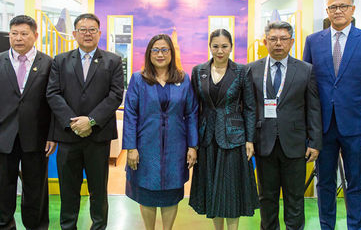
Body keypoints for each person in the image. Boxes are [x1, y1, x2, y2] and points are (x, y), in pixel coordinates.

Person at [303, 0, 361, 230]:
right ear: (326, 12)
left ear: (353, 10)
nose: (338, 11)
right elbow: (308, 86)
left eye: (343, 6)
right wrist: (310, 128)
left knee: (357, 183)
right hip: (323, 127)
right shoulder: (313, 41)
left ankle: (356, 227)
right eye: (332, 7)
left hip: (357, 127)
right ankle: (326, 225)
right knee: (325, 182)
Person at [0, 15, 56, 230]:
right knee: (1, 190)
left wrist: (51, 135)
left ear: (35, 36)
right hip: (2, 137)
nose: (18, 38)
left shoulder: (48, 63)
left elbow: (53, 104)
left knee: (36, 191)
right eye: (14, 34)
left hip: (36, 139)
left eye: (24, 34)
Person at [46, 13, 124, 230]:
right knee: (68, 189)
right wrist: (74, 122)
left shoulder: (113, 61)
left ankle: (98, 227)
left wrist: (90, 121)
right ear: (74, 34)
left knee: (98, 190)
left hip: (98, 137)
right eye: (83, 29)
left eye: (92, 29)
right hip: (68, 136)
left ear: (99, 33)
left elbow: (115, 95)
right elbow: (53, 94)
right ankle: (68, 226)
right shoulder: (60, 61)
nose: (88, 34)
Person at [248, 21, 322, 230]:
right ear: (265, 42)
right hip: (264, 144)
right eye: (273, 39)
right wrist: (249, 140)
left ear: (291, 42)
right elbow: (249, 108)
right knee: (266, 198)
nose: (278, 43)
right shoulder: (252, 70)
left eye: (283, 39)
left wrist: (315, 142)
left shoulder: (306, 70)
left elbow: (313, 108)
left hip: (295, 144)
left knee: (295, 198)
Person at [123, 34, 198, 230]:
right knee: (147, 192)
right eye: (155, 50)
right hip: (146, 146)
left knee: (171, 192)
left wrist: (192, 145)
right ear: (149, 54)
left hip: (176, 147)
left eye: (165, 50)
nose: (160, 54)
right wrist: (131, 147)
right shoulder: (138, 79)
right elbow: (130, 114)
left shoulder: (183, 79)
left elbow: (191, 113)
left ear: (172, 53)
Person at [189, 29, 258, 230]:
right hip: (207, 138)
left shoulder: (242, 71)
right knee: (212, 189)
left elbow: (251, 108)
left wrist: (250, 139)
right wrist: (193, 142)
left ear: (231, 47)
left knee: (231, 190)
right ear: (210, 47)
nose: (220, 51)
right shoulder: (198, 71)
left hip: (234, 138)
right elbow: (194, 109)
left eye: (224, 46)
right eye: (215, 46)